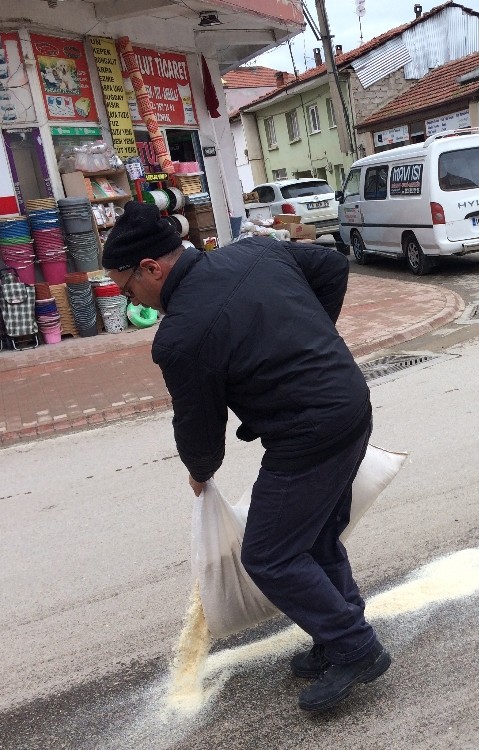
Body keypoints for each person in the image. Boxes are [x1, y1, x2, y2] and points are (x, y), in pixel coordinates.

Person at [101, 201, 390, 712]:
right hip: (349, 402)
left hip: (309, 434)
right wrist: (313, 339)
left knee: (270, 554)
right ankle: (337, 629)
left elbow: (198, 423)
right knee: (314, 535)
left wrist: (199, 472)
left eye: (128, 289)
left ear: (152, 268)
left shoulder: (181, 335)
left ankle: (355, 646)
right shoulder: (255, 252)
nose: (133, 302)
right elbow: (332, 267)